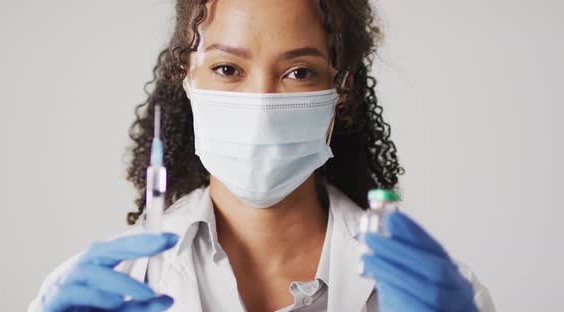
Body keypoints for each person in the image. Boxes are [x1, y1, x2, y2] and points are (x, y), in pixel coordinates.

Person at [29, 0, 495, 311]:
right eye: (227, 68)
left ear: (342, 89)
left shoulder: (434, 295)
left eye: (298, 71)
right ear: (186, 80)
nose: (262, 106)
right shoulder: (103, 287)